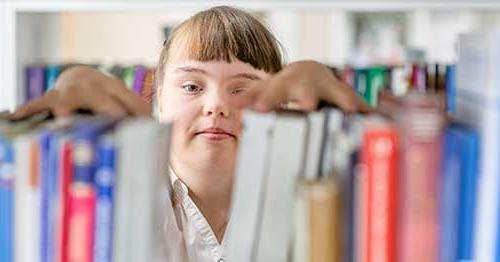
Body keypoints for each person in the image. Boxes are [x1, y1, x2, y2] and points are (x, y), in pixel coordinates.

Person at [13, 6, 371, 261]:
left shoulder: (311, 200)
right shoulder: (122, 190)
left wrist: (324, 93)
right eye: (192, 86)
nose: (216, 106)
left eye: (241, 89)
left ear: (278, 107)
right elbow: (83, 84)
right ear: (157, 101)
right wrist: (77, 79)